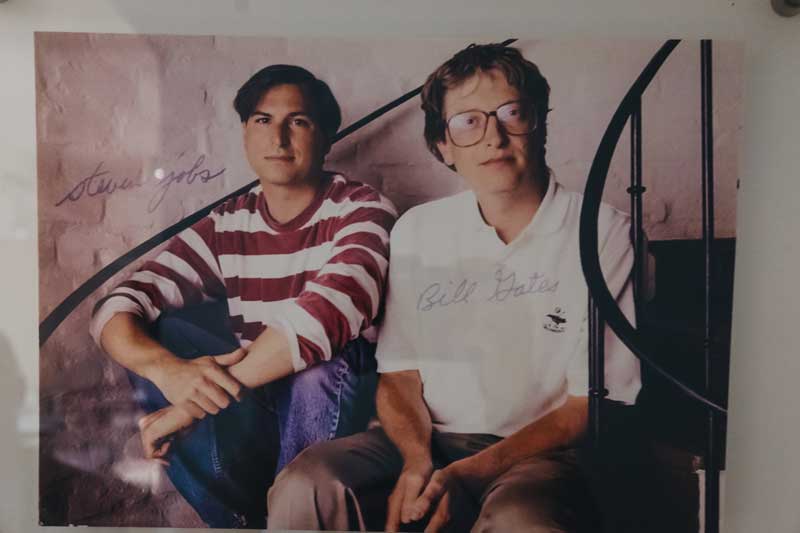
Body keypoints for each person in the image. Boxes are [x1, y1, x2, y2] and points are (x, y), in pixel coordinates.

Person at [267, 43, 641, 532]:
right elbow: (400, 377)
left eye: (512, 113)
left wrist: (468, 474)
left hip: (542, 454)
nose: (494, 137)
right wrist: (418, 460)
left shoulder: (603, 231)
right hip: (427, 439)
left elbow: (589, 405)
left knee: (523, 522)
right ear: (443, 146)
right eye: (468, 121)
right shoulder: (420, 230)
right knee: (308, 482)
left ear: (540, 124)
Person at [89, 64, 397, 529]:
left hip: (343, 408)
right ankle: (238, 522)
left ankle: (295, 517)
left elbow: (327, 316)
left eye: (298, 121)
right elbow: (117, 304)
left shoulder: (363, 208)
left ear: (327, 136)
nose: (278, 138)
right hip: (256, 404)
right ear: (244, 133)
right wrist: (167, 371)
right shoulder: (230, 222)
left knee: (320, 366)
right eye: (262, 120)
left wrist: (186, 409)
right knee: (160, 332)